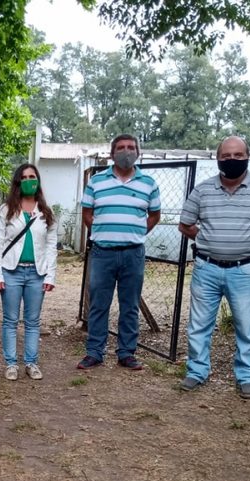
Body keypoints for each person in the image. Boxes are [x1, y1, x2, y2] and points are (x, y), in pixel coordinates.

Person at [178, 136, 250, 399]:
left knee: (246, 326)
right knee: (199, 325)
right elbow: (185, 224)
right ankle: (196, 371)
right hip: (207, 268)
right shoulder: (203, 190)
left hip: (245, 270)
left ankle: (247, 376)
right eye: (226, 155)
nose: (232, 160)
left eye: (238, 155)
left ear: (248, 157)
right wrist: (206, 239)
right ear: (217, 159)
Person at [77, 134, 161, 371]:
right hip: (103, 253)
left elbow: (155, 215)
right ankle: (94, 352)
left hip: (133, 254)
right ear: (112, 154)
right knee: (98, 304)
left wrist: (135, 232)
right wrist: (103, 233)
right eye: (121, 148)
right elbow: (87, 213)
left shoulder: (149, 183)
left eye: (131, 147)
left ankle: (126, 353)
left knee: (130, 305)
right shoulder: (96, 181)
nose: (127, 151)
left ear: (138, 152)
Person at [0, 164, 58, 380]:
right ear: (18, 182)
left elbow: (51, 246)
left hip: (36, 274)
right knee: (10, 320)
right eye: (24, 177)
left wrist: (50, 275)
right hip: (11, 272)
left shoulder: (46, 212)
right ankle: (11, 364)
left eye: (33, 176)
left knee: (33, 321)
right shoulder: (6, 210)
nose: (29, 180)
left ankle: (31, 362)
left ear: (37, 180)